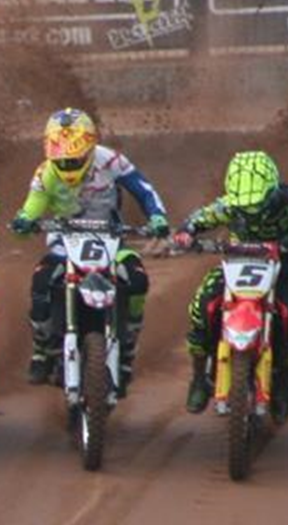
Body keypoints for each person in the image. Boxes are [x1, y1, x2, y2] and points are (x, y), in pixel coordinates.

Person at [10, 108, 169, 394]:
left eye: (74, 160)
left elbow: (144, 189)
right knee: (41, 280)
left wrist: (157, 216)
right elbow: (32, 205)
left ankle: (128, 349)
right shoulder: (45, 173)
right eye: (62, 161)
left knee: (137, 279)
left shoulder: (111, 160)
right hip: (64, 243)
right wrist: (24, 220)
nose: (68, 166)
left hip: (112, 240)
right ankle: (42, 349)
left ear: (90, 147)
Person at [174, 150, 288, 422]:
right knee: (201, 307)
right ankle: (199, 377)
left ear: (272, 189)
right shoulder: (229, 204)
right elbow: (198, 219)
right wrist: (185, 232)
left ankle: (285, 381)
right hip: (233, 269)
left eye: (258, 204)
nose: (251, 210)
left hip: (279, 271)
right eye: (244, 206)